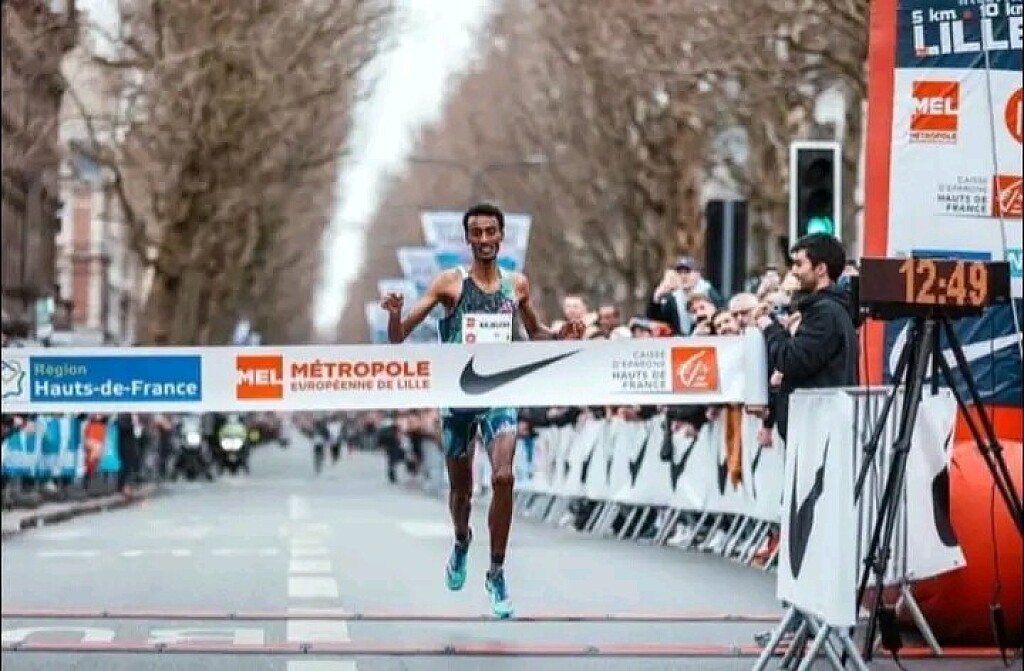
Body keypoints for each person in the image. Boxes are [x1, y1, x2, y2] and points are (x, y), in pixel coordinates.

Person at [381, 202, 585, 618]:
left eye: (491, 232)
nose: (485, 239)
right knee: (462, 492)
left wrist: (561, 333)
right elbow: (399, 338)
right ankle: (461, 540)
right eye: (477, 233)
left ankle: (496, 571)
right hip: (457, 399)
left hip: (499, 395)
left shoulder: (516, 285)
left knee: (504, 477)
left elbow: (535, 332)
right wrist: (396, 313)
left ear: (501, 235)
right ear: (468, 238)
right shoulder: (449, 283)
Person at [755, 233, 858, 442]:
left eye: (799, 264)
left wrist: (769, 328)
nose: (793, 271)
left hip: (817, 433)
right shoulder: (824, 310)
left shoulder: (825, 313)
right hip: (813, 431)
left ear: (820, 269)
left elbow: (792, 360)